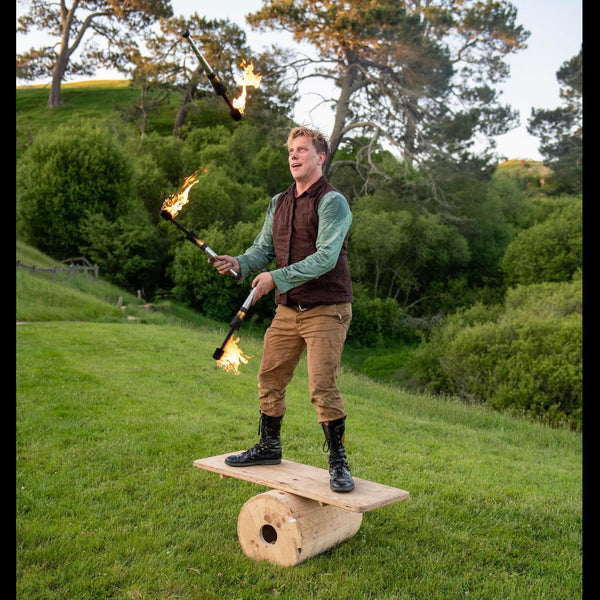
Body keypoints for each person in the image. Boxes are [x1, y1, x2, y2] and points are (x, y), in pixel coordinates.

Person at [212, 126, 355, 493]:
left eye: (302, 150)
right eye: (291, 150)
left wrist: (275, 277)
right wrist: (240, 264)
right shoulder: (279, 202)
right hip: (289, 310)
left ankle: (338, 462)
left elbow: (325, 258)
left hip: (327, 308)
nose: (294, 156)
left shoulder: (332, 202)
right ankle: (268, 446)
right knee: (269, 378)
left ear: (320, 157)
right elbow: (263, 249)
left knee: (322, 386)